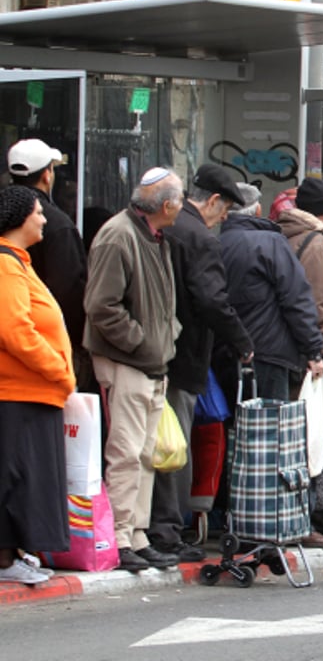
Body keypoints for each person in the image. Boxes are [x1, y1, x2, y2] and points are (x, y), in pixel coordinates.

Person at [147, 164, 253, 562]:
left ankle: (154, 525)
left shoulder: (164, 227)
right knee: (176, 446)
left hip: (154, 351)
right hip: (184, 353)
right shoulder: (199, 238)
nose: (224, 218)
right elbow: (212, 300)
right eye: (224, 209)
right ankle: (169, 529)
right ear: (211, 201)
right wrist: (242, 341)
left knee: (153, 443)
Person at [85, 168, 184, 572]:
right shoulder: (119, 235)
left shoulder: (149, 235)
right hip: (127, 360)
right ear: (166, 205)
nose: (182, 207)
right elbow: (101, 307)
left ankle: (136, 533)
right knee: (126, 452)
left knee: (145, 453)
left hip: (148, 360)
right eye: (179, 200)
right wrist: (144, 341)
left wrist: (166, 337)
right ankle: (121, 536)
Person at [0, 186, 76, 584]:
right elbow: (14, 330)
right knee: (14, 478)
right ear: (18, 219)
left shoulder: (18, 263)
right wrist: (58, 371)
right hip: (18, 391)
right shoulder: (5, 264)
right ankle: (4, 558)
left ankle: (14, 554)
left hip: (33, 392)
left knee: (24, 478)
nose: (45, 218)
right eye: (38, 212)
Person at [218, 183, 323, 404]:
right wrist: (313, 351)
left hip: (226, 353)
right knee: (269, 429)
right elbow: (296, 299)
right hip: (269, 353)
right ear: (258, 210)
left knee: (233, 425)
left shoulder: (217, 243)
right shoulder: (271, 242)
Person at [7, 139, 88, 387]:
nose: (41, 221)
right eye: (38, 215)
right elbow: (72, 292)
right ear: (46, 175)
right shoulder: (58, 226)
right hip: (45, 351)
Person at [277, 177, 323, 395]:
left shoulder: (286, 233)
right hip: (310, 357)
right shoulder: (316, 244)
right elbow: (317, 304)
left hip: (292, 349)